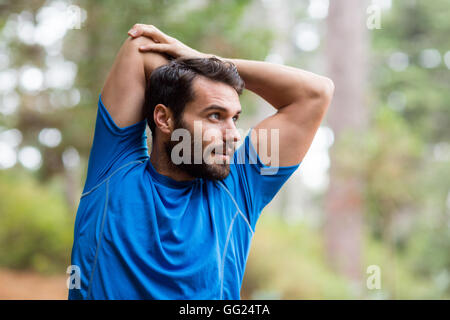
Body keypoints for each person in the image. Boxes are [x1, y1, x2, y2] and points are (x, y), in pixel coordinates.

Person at [68, 24, 334, 300]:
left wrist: (208, 62)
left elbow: (316, 93)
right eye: (215, 116)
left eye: (235, 118)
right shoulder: (115, 167)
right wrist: (199, 69)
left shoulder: (239, 189)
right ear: (164, 119)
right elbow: (140, 47)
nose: (232, 134)